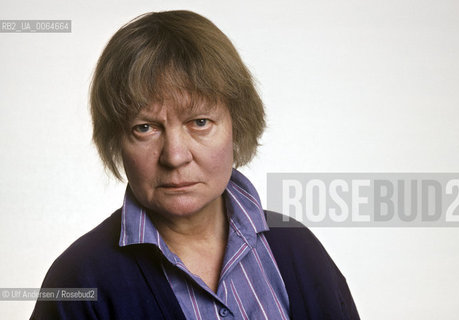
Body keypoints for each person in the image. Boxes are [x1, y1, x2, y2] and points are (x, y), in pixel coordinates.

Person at [31, 10, 360, 319]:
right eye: (145, 128)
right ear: (117, 140)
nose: (174, 156)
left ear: (237, 125)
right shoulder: (77, 281)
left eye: (200, 122)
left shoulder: (297, 249)